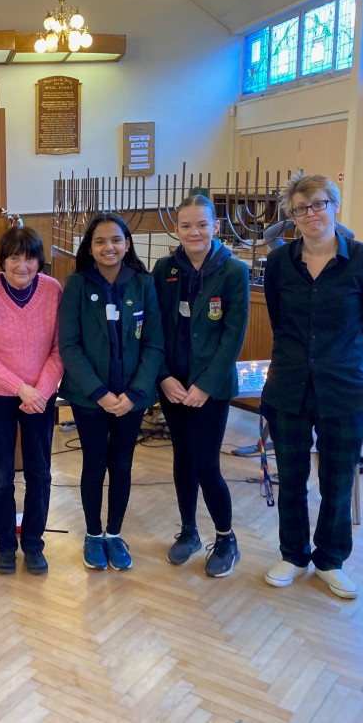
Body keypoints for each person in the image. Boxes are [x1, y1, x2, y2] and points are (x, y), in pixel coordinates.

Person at [261, 173, 363, 599]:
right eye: (299, 209)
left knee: (336, 479)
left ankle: (330, 559)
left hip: (344, 387)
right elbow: (279, 322)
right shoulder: (279, 263)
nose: (310, 214)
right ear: (291, 218)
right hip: (289, 385)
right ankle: (294, 554)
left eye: (318, 204)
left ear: (335, 205)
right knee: (292, 477)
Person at [59, 213, 164, 571]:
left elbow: (153, 344)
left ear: (127, 244)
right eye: (100, 241)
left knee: (121, 465)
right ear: (90, 247)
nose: (109, 247)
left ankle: (114, 535)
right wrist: (99, 393)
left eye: (116, 240)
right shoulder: (76, 284)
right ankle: (92, 534)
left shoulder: (143, 284)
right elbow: (69, 346)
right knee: (93, 464)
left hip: (131, 399)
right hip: (90, 397)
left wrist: (135, 393)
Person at [152, 195, 250, 577]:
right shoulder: (164, 269)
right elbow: (154, 328)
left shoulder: (233, 271)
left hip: (212, 387)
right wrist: (163, 376)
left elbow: (233, 335)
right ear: (176, 230)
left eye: (202, 225)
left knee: (207, 462)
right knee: (183, 459)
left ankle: (226, 538)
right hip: (173, 385)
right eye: (186, 225)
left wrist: (205, 385)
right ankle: (189, 531)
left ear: (216, 227)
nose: (195, 232)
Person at [0, 227, 63, 575]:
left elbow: (59, 348)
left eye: (29, 258)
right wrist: (20, 388)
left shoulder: (53, 290)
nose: (21, 266)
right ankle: (5, 544)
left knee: (40, 472)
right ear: (2, 261)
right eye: (13, 258)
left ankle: (34, 544)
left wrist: (42, 388)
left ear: (39, 260)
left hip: (41, 396)